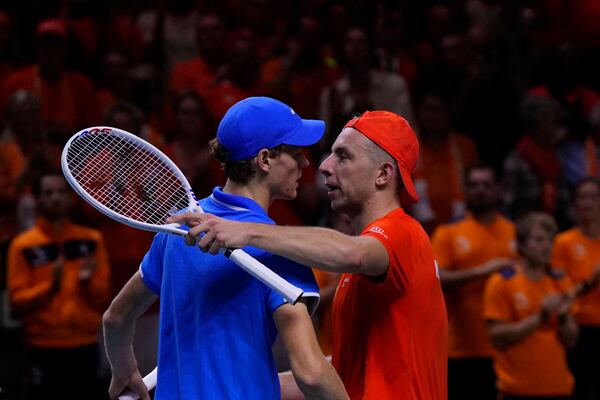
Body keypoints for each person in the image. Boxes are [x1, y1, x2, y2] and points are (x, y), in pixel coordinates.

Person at [170, 110, 448, 399]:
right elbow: (328, 375)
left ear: (383, 174)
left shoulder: (403, 233)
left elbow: (352, 253)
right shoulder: (363, 269)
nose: (325, 166)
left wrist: (246, 232)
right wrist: (231, 380)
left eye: (343, 156)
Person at [102, 97, 348, 400]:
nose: (305, 163)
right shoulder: (281, 251)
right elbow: (311, 373)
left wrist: (124, 370)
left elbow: (115, 319)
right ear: (265, 159)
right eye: (296, 153)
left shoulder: (179, 230)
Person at [7, 171, 111, 400]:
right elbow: (16, 303)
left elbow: (103, 297)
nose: (55, 198)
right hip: (42, 347)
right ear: (37, 199)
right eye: (48, 193)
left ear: (71, 197)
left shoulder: (91, 240)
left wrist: (85, 283)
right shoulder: (22, 246)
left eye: (61, 192)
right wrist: (51, 286)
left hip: (85, 344)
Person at [431, 164, 516, 400]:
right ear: (466, 190)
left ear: (498, 190)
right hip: (459, 350)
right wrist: (483, 271)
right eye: (474, 185)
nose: (481, 190)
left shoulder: (514, 233)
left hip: (504, 349)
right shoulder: (448, 233)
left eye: (487, 185)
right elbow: (435, 279)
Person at [484, 212, 578, 400]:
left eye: (550, 240)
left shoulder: (561, 281)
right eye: (539, 240)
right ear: (522, 244)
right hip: (517, 390)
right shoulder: (502, 282)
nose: (546, 246)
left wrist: (564, 317)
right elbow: (497, 338)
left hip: (558, 388)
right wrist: (539, 318)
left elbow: (571, 341)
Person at [552, 177, 600, 400]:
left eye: (593, 197)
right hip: (580, 332)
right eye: (582, 197)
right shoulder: (563, 242)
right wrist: (592, 282)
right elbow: (563, 294)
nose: (587, 203)